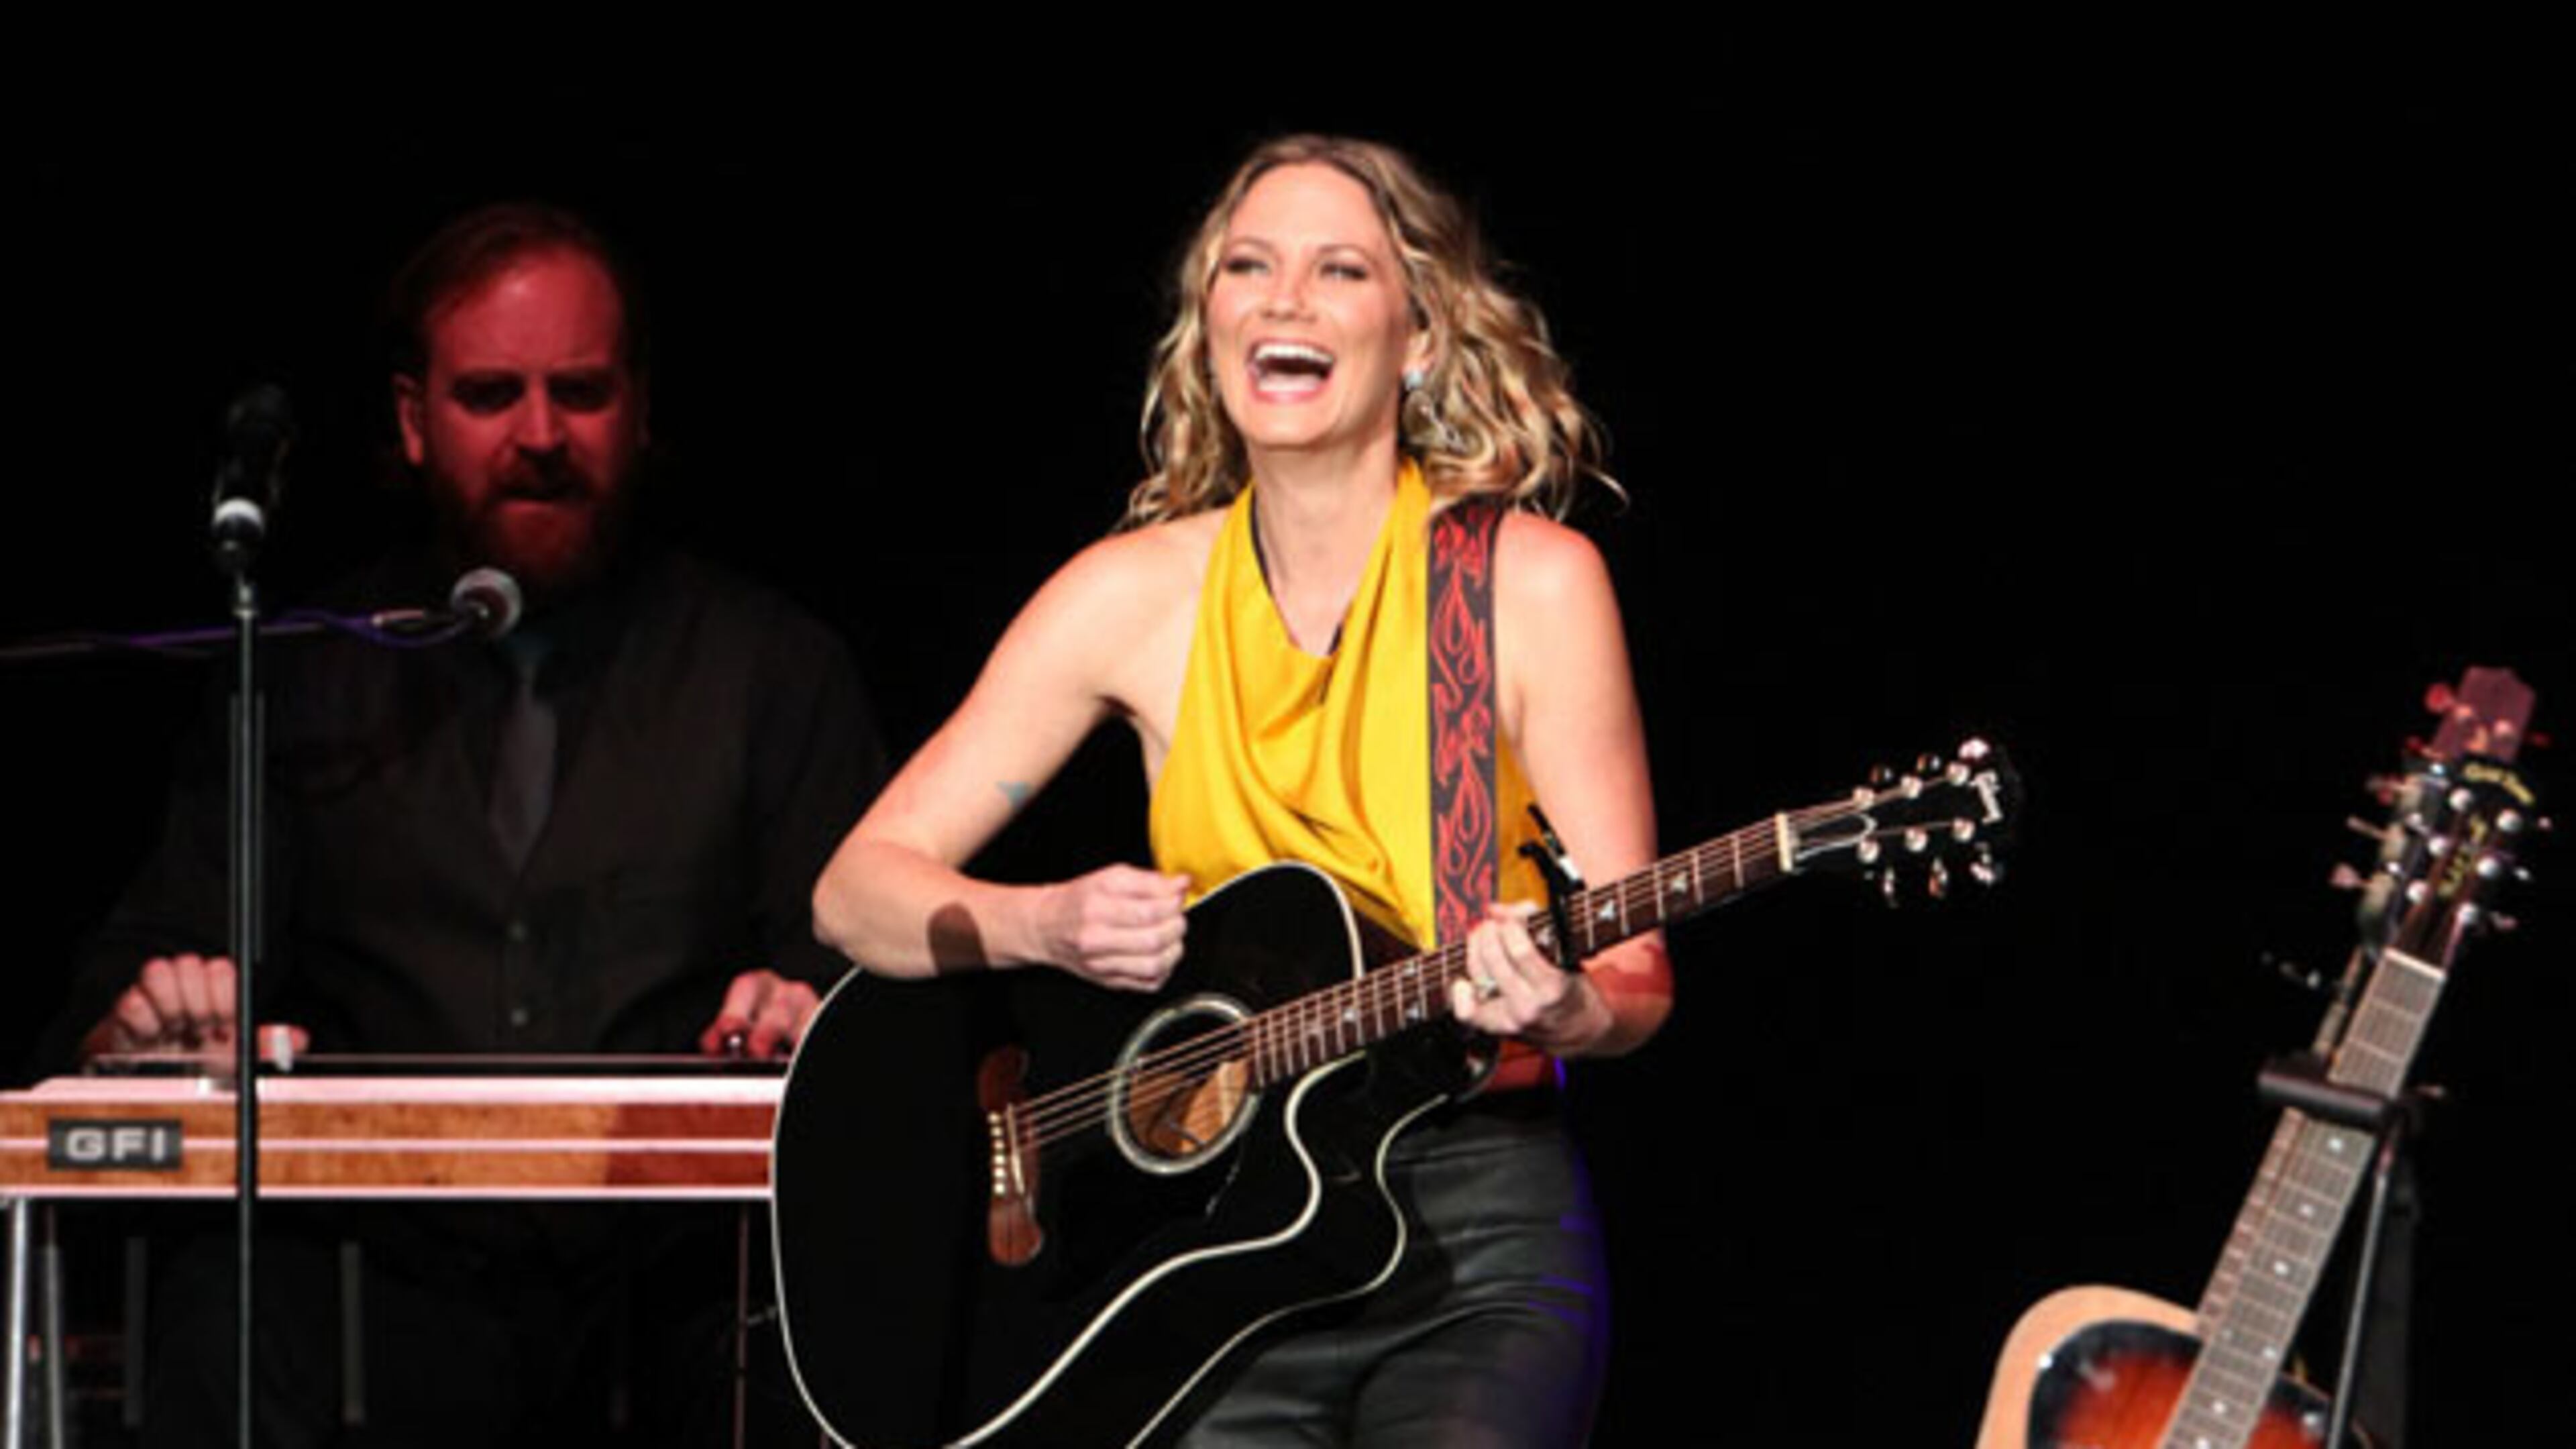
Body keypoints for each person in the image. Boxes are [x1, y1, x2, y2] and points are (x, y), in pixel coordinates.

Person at [811, 136, 1670, 1447]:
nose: (1283, 302)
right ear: (1208, 320)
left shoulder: (1530, 585)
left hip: (1474, 1239)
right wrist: (1045, 926)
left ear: (1421, 333)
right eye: (1250, 268)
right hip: (1221, 1251)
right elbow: (858, 893)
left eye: (1339, 271)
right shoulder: (1131, 597)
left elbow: (1638, 972)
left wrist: (1567, 1008)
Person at [41, 203, 883, 1446]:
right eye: (492, 394)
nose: (540, 436)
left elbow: (872, 983)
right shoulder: (298, 672)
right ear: (410, 422)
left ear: (641, 412)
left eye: (580, 393)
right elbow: (141, 971)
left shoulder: (770, 670)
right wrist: (147, 1016)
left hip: (681, 1290)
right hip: (377, 1294)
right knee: (218, 1307)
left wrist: (816, 1008)